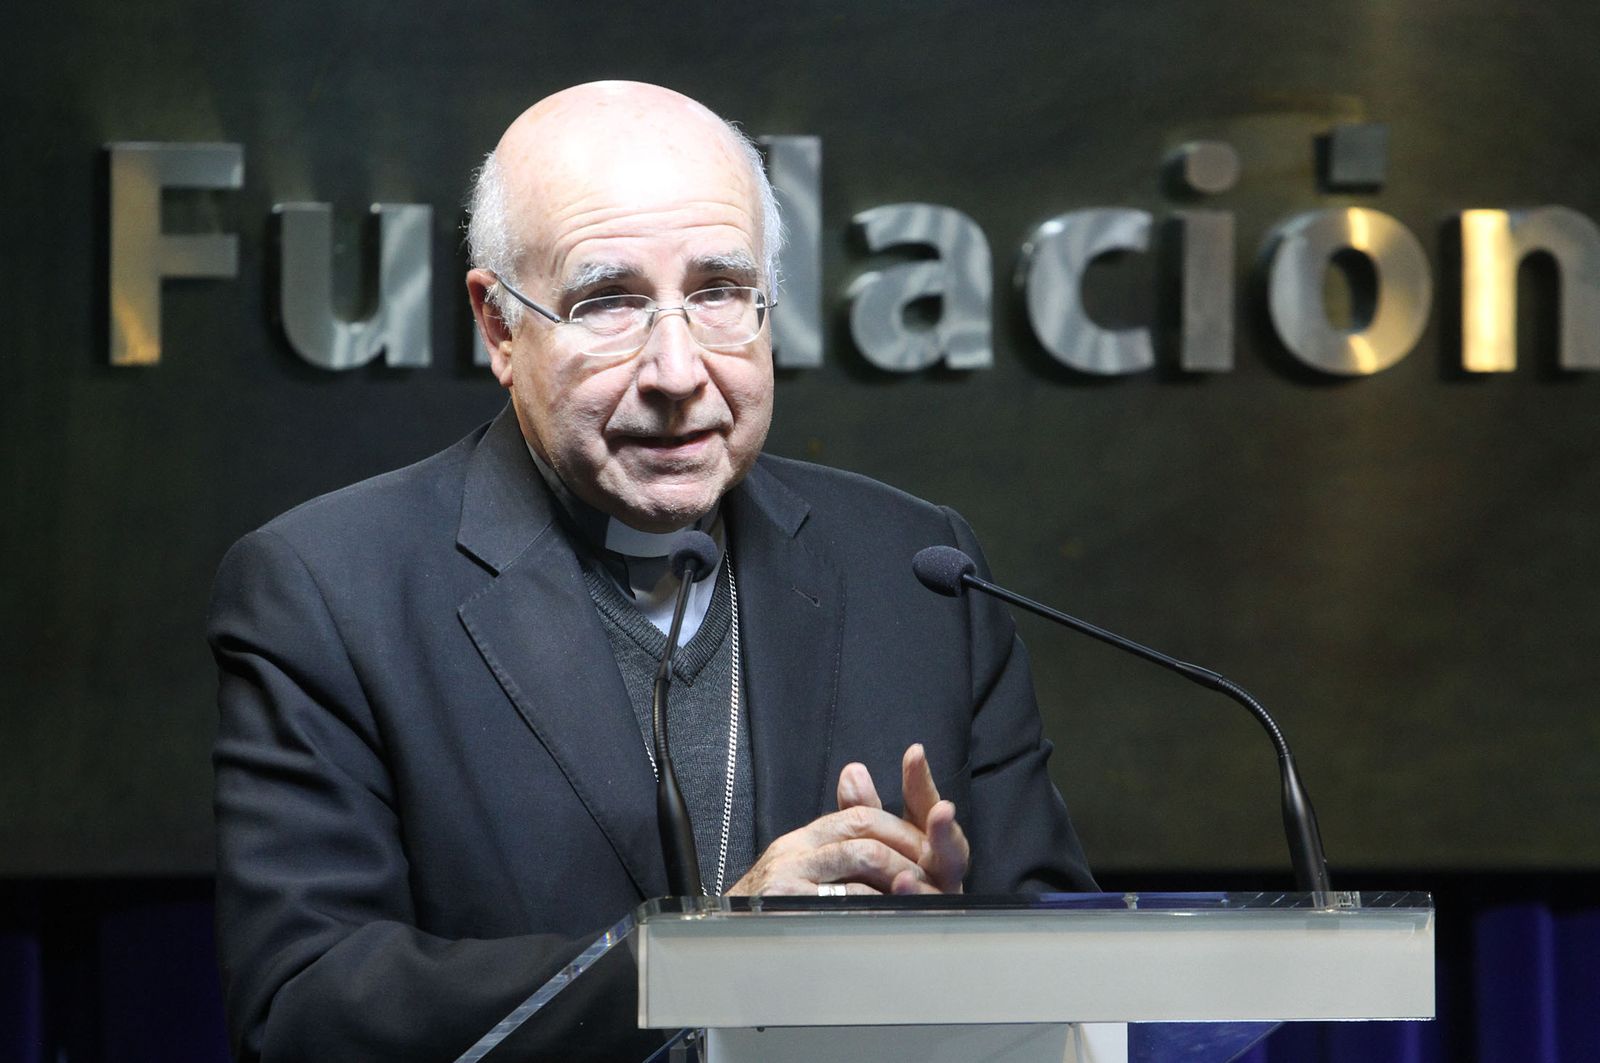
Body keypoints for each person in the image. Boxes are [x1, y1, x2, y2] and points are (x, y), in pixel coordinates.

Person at [208, 81, 1094, 1062]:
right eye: (609, 301)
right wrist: (706, 963)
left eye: (717, 293)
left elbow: (1066, 953)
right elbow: (307, 1006)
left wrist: (957, 940)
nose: (677, 373)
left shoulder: (917, 569)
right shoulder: (329, 588)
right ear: (500, 326)